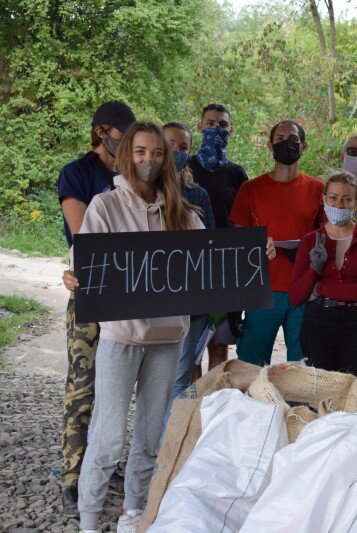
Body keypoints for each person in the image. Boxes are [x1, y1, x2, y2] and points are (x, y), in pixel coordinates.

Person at [63, 122, 205, 533]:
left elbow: (210, 262)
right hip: (121, 335)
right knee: (108, 436)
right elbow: (85, 259)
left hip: (168, 338)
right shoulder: (105, 205)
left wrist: (255, 255)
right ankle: (89, 519)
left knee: (148, 436)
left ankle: (133, 512)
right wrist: (74, 275)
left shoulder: (182, 213)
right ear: (127, 154)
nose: (149, 160)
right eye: (141, 151)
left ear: (167, 159)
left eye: (157, 153)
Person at [56, 99, 135, 518]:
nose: (127, 140)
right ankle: (73, 475)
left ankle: (102, 467)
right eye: (122, 132)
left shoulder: (136, 174)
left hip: (130, 295)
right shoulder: (77, 173)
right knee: (82, 384)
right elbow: (84, 234)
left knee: (115, 386)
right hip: (91, 291)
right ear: (101, 131)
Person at [230, 120, 325, 365]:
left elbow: (329, 236)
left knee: (303, 368)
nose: (286, 144)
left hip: (304, 290)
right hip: (262, 291)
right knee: (250, 367)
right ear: (270, 146)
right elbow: (239, 243)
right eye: (280, 139)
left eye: (293, 139)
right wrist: (257, 246)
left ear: (304, 146)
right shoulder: (250, 189)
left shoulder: (319, 189)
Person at [288, 171, 357, 385]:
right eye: (333, 197)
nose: (339, 205)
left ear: (356, 203)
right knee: (319, 392)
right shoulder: (310, 240)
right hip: (318, 322)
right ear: (323, 199)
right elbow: (296, 297)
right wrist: (314, 269)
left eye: (347, 199)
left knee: (349, 390)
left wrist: (320, 289)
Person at [188, 103, 249, 372]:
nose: (216, 129)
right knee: (190, 348)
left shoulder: (237, 174)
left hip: (225, 268)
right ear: (200, 126)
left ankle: (214, 396)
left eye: (222, 125)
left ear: (231, 130)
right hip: (190, 265)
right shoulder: (184, 167)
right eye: (210, 123)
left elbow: (243, 220)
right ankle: (191, 398)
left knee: (219, 344)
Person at [161, 122, 214, 426]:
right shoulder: (135, 193)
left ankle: (167, 446)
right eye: (170, 145)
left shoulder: (198, 195)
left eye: (183, 147)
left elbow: (213, 247)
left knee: (179, 377)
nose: (176, 152)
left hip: (190, 303)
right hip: (148, 302)